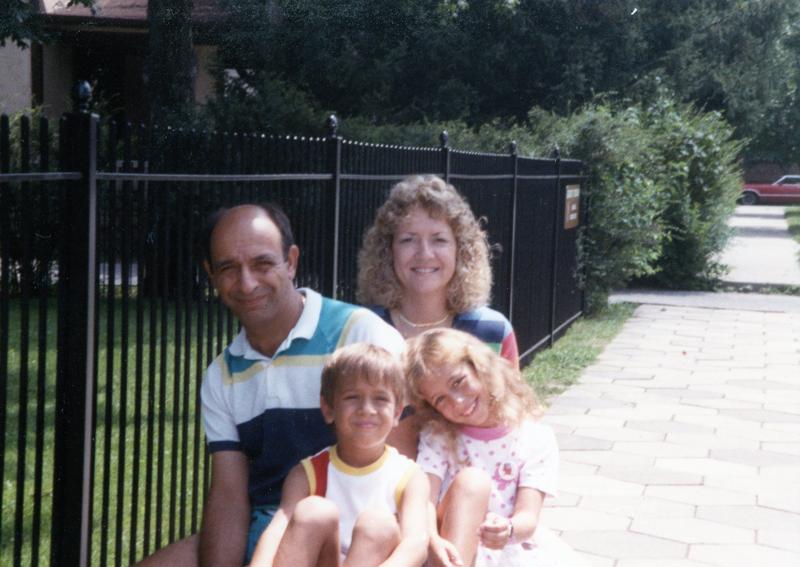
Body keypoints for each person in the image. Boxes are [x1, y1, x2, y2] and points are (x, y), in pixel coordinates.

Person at [136, 203, 406, 567]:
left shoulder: (360, 335)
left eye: (262, 264)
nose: (247, 283)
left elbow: (403, 465)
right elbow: (229, 496)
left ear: (291, 262)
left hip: (353, 537)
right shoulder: (223, 375)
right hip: (266, 531)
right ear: (211, 274)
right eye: (228, 268)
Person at [249, 343, 430, 567]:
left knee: (379, 525)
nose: (367, 409)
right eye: (352, 397)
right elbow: (278, 530)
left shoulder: (409, 476)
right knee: (314, 510)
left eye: (380, 398)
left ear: (397, 413)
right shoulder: (307, 473)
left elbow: (416, 543)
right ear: (328, 409)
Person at [405, 328, 558, 567]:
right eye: (440, 399)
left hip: (503, 552)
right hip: (448, 549)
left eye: (458, 382)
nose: (457, 401)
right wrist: (432, 539)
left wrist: (508, 529)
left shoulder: (535, 438)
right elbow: (424, 499)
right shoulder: (439, 437)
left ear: (479, 366)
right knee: (472, 482)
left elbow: (528, 517)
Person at [357, 175, 519, 367]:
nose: (424, 254)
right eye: (408, 239)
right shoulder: (360, 330)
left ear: (461, 250)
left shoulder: (494, 332)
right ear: (388, 250)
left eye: (439, 240)